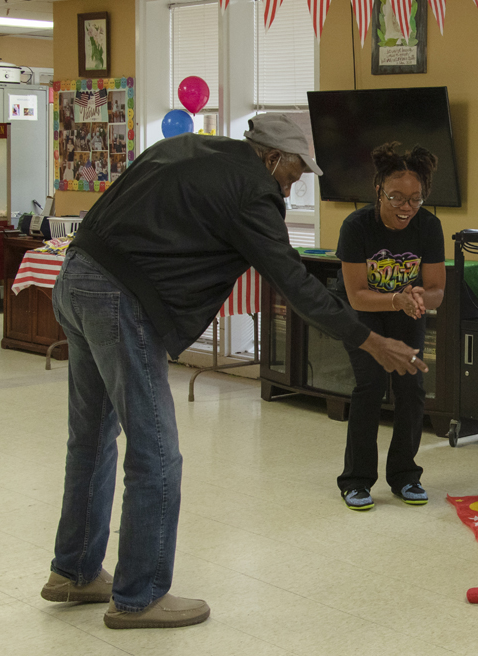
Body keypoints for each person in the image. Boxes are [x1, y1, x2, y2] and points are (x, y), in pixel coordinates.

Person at [39, 115, 426, 629]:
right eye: (292, 174)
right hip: (118, 300)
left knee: (89, 439)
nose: (293, 185)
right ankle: (139, 597)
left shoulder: (185, 146)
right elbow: (292, 280)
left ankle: (75, 572)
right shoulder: (253, 190)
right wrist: (370, 340)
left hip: (76, 277)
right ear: (270, 158)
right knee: (157, 452)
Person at [334, 142, 446, 511]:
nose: (406, 207)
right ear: (379, 189)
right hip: (365, 315)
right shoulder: (356, 227)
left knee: (411, 387)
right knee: (371, 385)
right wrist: (397, 298)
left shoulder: (428, 226)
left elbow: (437, 291)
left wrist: (417, 298)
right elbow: (357, 297)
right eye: (397, 197)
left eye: (415, 199)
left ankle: (405, 476)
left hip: (406, 314)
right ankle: (356, 481)